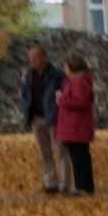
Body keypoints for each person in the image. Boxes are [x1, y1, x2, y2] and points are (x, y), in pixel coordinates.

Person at [21, 46, 67, 193]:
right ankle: (50, 182)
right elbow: (25, 93)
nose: (32, 61)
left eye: (35, 58)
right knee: (44, 153)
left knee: (60, 151)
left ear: (44, 57)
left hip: (53, 117)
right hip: (36, 117)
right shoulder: (28, 75)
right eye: (31, 59)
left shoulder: (57, 75)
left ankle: (65, 183)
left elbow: (63, 94)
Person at [56, 54, 97, 195]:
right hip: (73, 126)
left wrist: (62, 100)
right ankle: (82, 185)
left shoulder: (79, 83)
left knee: (80, 157)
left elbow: (82, 102)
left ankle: (83, 186)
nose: (64, 70)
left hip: (76, 126)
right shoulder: (74, 82)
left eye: (66, 67)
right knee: (78, 157)